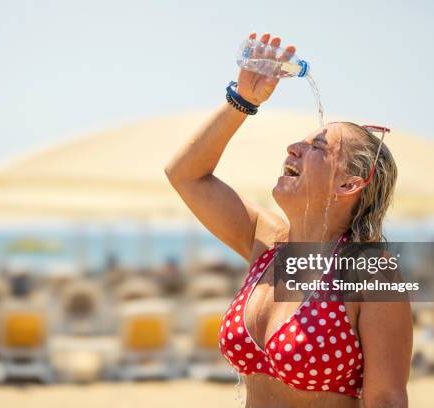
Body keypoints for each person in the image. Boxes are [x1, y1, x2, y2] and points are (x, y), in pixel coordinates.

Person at [165, 32, 412, 408]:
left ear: (349, 184)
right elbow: (185, 174)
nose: (292, 148)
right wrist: (243, 101)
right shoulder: (266, 240)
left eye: (317, 147)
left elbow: (386, 400)